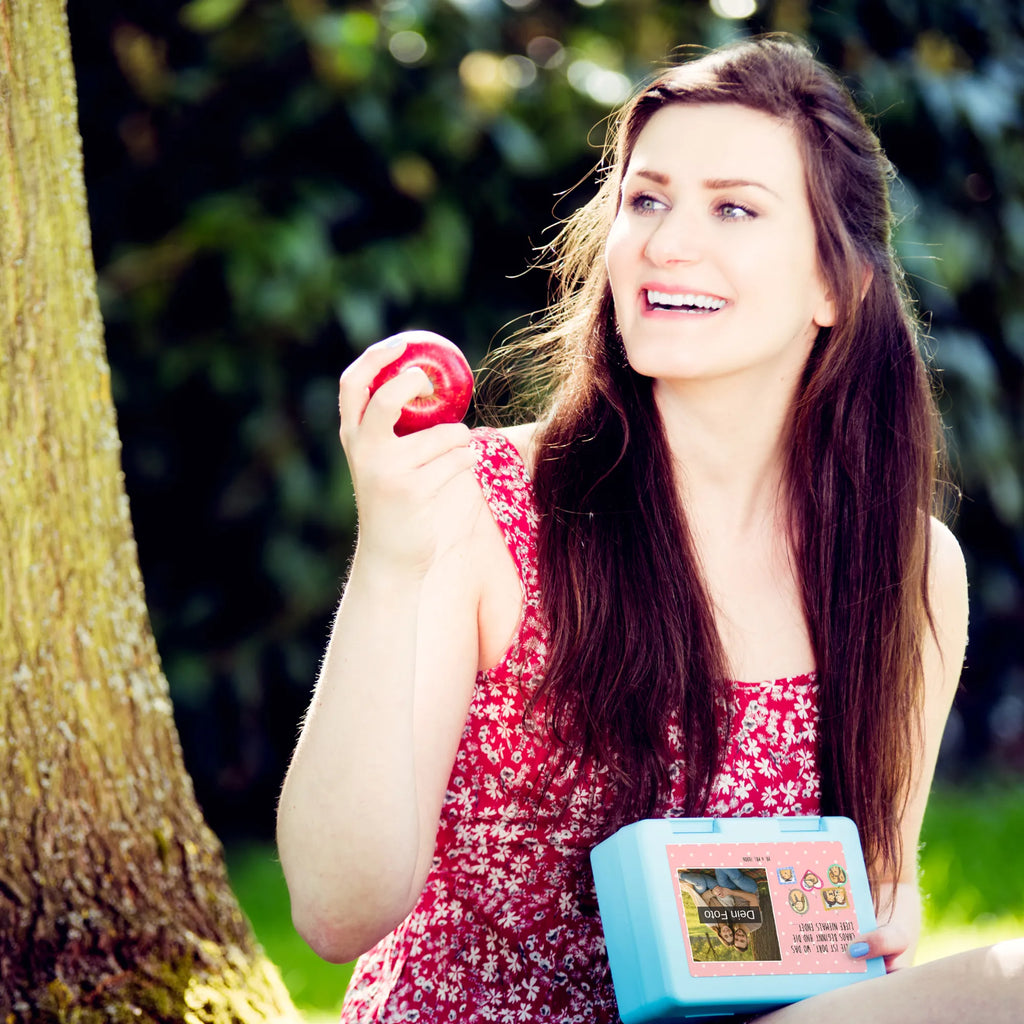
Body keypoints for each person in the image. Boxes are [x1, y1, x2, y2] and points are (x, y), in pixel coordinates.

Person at [276, 34, 1024, 1023]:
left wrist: (884, 906)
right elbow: (335, 913)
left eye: (732, 207)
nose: (667, 241)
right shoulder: (483, 508)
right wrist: (392, 557)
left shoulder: (909, 570)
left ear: (832, 287)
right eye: (645, 198)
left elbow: (870, 902)